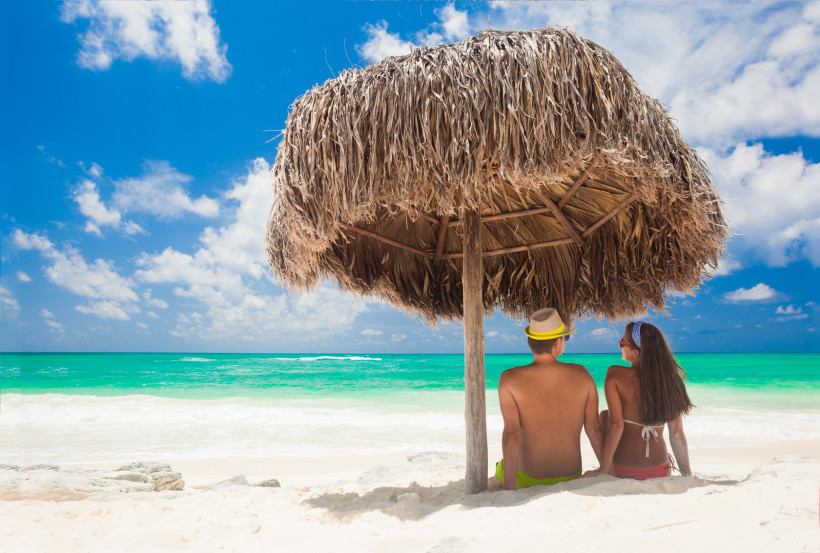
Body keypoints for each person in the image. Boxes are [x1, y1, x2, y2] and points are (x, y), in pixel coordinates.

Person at [487, 308, 603, 491]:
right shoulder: (582, 374)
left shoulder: (509, 378)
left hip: (528, 477)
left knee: (492, 480)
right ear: (557, 343)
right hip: (570, 475)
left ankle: (498, 485)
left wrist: (509, 491)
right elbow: (594, 428)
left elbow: (512, 434)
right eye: (565, 338)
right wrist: (606, 468)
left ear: (530, 343)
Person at [584, 321, 693, 480]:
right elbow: (676, 435)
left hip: (624, 470)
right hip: (660, 470)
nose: (620, 347)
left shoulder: (615, 374)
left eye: (622, 343)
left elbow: (616, 425)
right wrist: (687, 474)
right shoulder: (671, 381)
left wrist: (603, 468)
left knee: (605, 415)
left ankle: (608, 468)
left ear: (636, 353)